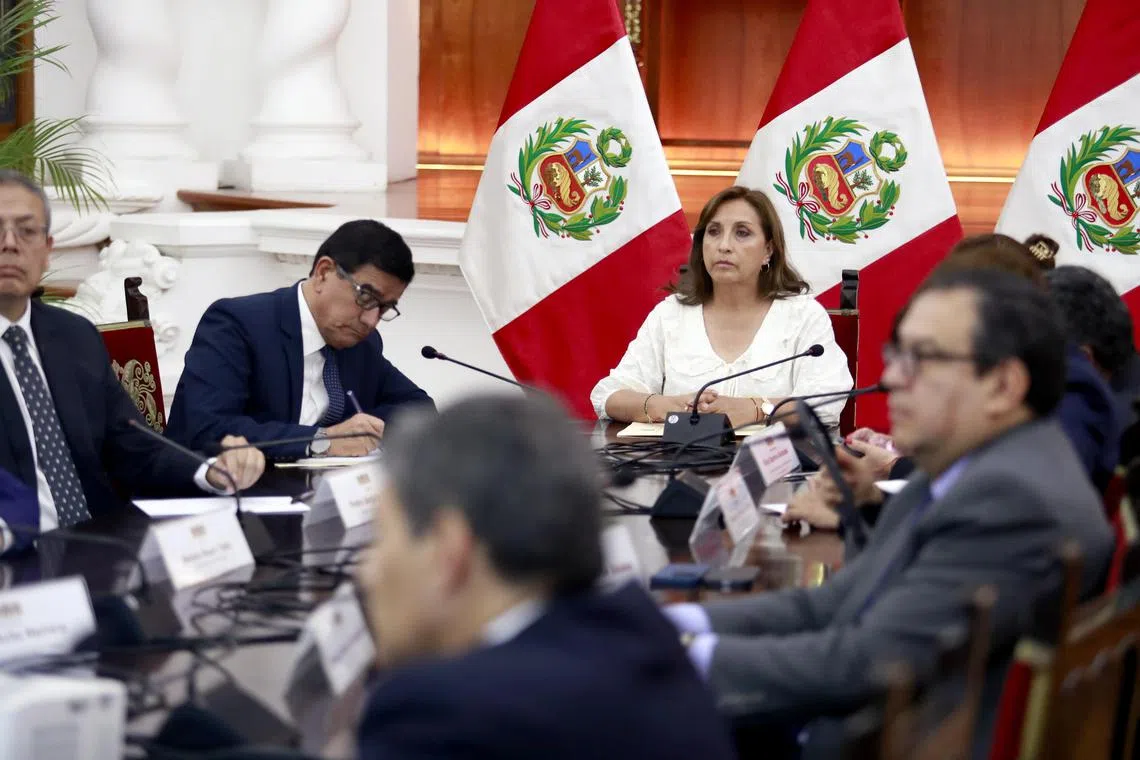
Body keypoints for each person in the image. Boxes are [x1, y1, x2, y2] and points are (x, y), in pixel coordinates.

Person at [666, 269, 1115, 760]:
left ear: (1003, 384)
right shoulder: (964, 460)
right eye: (897, 355)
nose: (891, 379)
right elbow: (832, 604)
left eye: (922, 359)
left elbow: (865, 663)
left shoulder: (1011, 498)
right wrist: (674, 624)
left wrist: (676, 658)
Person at [355, 394, 736, 760]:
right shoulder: (636, 630)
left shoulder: (442, 713)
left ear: (449, 548)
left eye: (381, 538)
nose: (365, 571)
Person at [0, 170, 264, 553]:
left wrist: (211, 471)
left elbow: (134, 446)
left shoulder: (74, 337)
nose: (9, 244)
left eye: (26, 231)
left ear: (47, 249)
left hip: (102, 546)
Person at [166, 220, 435, 460]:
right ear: (323, 273)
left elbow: (419, 409)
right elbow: (207, 428)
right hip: (224, 496)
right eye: (366, 297)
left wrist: (367, 431)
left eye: (385, 308)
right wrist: (322, 441)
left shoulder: (363, 343)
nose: (371, 320)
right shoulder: (238, 324)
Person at [590, 186, 852, 431]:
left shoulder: (803, 316)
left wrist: (756, 408)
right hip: (678, 466)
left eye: (742, 233)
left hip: (777, 472)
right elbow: (609, 395)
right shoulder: (670, 315)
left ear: (768, 250)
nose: (724, 245)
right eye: (713, 232)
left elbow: (827, 402)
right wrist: (663, 405)